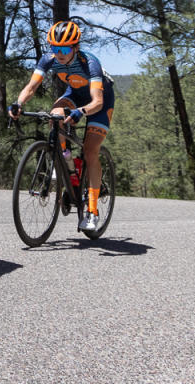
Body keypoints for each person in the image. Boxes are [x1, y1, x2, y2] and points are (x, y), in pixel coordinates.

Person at [7, 20, 115, 232]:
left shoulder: (89, 63)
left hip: (99, 101)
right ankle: (65, 159)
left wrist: (81, 112)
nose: (60, 53)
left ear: (75, 47)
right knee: (54, 115)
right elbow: (31, 87)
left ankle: (92, 211)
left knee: (90, 151)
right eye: (55, 48)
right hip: (73, 94)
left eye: (65, 48)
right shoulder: (49, 59)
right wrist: (19, 103)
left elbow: (97, 101)